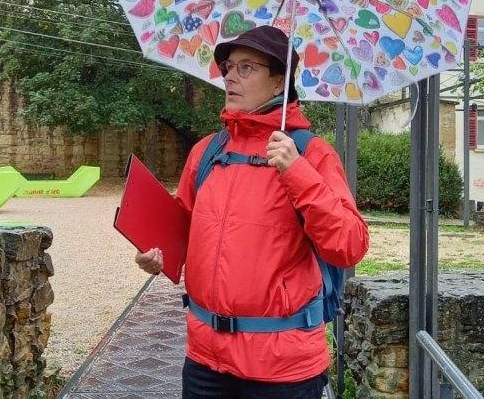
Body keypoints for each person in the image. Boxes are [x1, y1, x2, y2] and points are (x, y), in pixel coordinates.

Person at [135, 25, 369, 398]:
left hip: (282, 369)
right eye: (228, 66)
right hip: (205, 361)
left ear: (279, 83)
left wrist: (297, 173)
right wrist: (155, 255)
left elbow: (349, 246)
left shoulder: (310, 154)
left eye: (246, 68)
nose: (229, 76)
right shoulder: (207, 152)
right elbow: (183, 234)